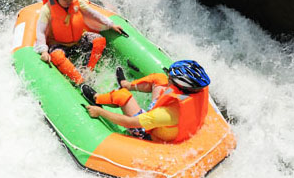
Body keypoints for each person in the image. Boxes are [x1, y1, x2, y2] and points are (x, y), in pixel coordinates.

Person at [82, 60, 210, 143]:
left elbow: (129, 123)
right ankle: (126, 84)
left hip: (148, 132)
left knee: (121, 96)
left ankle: (96, 98)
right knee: (159, 79)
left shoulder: (164, 114)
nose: (168, 79)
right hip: (164, 122)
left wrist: (99, 112)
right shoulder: (195, 94)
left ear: (180, 86)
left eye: (171, 79)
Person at [35, 0, 124, 84]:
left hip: (78, 40)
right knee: (57, 56)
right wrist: (44, 51)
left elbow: (93, 14)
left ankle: (88, 71)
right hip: (59, 44)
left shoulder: (77, 2)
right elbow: (40, 31)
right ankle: (80, 81)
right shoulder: (47, 9)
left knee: (99, 40)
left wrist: (110, 24)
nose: (69, 1)